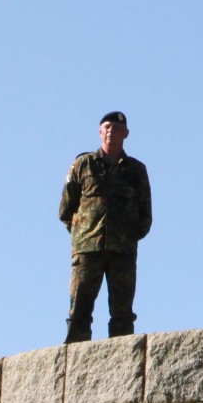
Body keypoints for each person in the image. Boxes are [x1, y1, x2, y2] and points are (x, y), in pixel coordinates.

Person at [60, 111, 152, 342]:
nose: (112, 131)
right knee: (79, 310)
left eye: (118, 128)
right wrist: (84, 234)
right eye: (108, 127)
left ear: (126, 134)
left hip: (122, 251)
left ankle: (122, 360)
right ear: (100, 132)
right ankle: (76, 358)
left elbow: (145, 216)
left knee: (122, 313)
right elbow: (66, 209)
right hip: (87, 249)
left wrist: (125, 237)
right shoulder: (84, 164)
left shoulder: (136, 170)